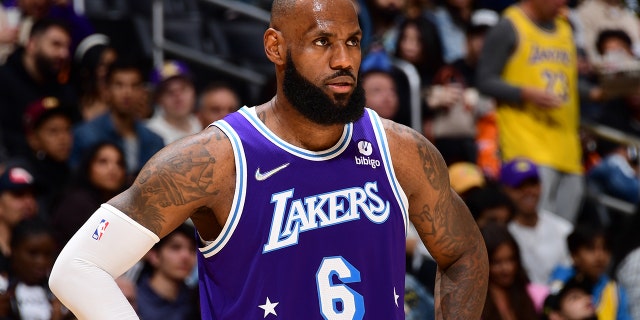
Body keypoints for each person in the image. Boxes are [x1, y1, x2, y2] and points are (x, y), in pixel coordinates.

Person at [49, 0, 489, 319]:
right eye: (322, 42)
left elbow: (465, 251)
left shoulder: (401, 150)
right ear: (275, 47)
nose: (343, 60)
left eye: (353, 41)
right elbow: (78, 269)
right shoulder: (218, 159)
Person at [476, 0, 587, 224]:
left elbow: (569, 82)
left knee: (564, 231)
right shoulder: (509, 25)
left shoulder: (565, 28)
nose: (563, 4)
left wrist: (597, 92)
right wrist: (525, 93)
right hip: (526, 143)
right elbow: (483, 80)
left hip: (567, 148)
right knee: (534, 223)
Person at [69, 56, 164, 178]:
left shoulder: (154, 141)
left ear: (143, 91)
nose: (127, 93)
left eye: (134, 85)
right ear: (107, 90)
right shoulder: (85, 136)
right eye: (119, 85)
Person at [0, 18, 78, 158]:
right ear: (32, 44)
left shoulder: (64, 89)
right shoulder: (4, 80)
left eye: (66, 47)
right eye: (56, 45)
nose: (64, 54)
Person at [501, 158, 573, 285]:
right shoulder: (504, 234)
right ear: (505, 190)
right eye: (519, 186)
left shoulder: (562, 228)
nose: (528, 191)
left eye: (533, 184)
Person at [50, 142, 128, 248]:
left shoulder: (123, 204)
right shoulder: (77, 203)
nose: (113, 169)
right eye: (103, 162)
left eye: (119, 163)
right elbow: (95, 245)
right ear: (88, 167)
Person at [549, 224, 632, 320]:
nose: (600, 257)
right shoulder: (560, 277)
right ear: (574, 255)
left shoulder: (615, 292)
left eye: (605, 249)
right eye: (590, 249)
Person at [480, 222, 547, 319]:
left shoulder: (534, 295)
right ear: (484, 264)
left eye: (511, 259)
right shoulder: (474, 304)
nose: (507, 269)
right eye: (497, 262)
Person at [135, 223, 200, 320]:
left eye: (192, 249)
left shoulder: (199, 301)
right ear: (154, 256)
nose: (186, 256)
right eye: (175, 247)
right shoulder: (132, 299)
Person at [146, 60, 203, 145]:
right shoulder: (151, 132)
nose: (178, 97)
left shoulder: (200, 123)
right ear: (158, 99)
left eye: (183, 89)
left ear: (194, 91)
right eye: (169, 92)